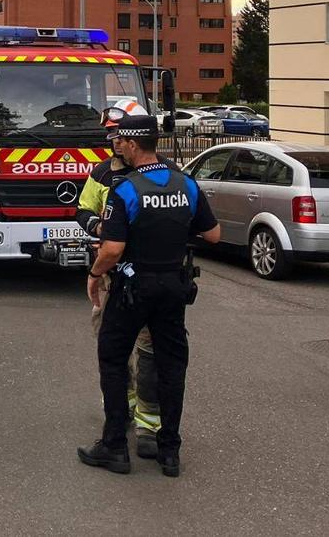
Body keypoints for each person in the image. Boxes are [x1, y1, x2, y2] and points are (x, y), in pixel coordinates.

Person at [78, 114, 220, 477]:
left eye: (120, 141)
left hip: (132, 286)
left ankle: (114, 447)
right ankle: (169, 451)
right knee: (172, 365)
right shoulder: (185, 184)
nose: (117, 145)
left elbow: (112, 248)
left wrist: (95, 274)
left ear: (132, 144)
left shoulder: (127, 189)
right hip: (174, 286)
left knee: (112, 357)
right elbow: (214, 234)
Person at [74, 98, 177, 460]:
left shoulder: (166, 171)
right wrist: (98, 225)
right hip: (112, 275)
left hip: (147, 275)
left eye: (120, 134)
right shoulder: (102, 173)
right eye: (111, 135)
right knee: (111, 349)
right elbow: (82, 209)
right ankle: (120, 413)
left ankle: (149, 425)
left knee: (149, 352)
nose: (115, 141)